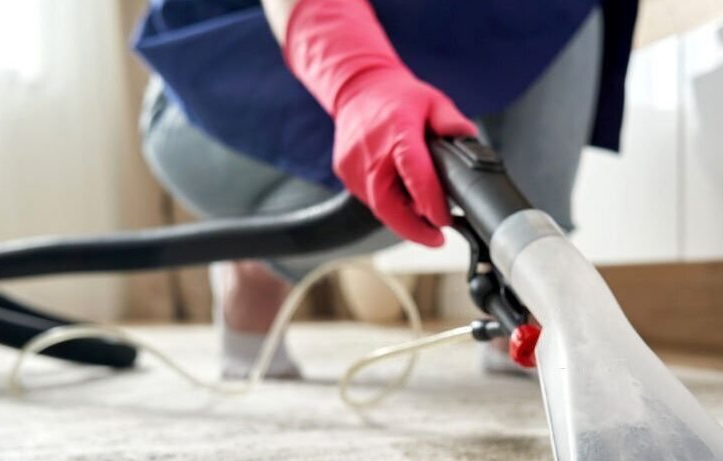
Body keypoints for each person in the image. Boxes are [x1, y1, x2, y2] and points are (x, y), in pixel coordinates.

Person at [134, 0, 638, 378]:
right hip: (210, 89)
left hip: (435, 54)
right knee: (424, 154)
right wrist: (360, 79)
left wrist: (538, 273)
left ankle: (520, 313)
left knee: (464, 145)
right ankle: (261, 266)